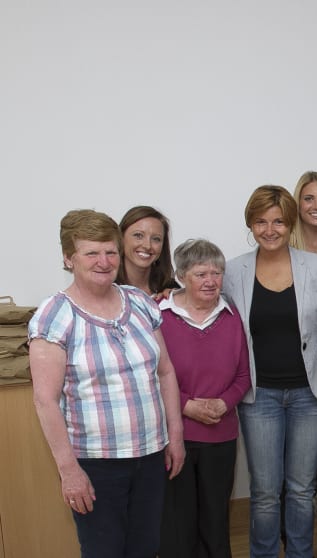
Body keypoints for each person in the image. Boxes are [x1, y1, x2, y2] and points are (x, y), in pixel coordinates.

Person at [28, 209, 185, 557]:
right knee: (105, 551)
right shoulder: (55, 316)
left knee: (146, 547)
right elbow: (45, 401)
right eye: (91, 253)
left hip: (149, 455)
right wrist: (69, 471)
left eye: (110, 251)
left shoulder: (141, 303)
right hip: (95, 464)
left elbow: (166, 372)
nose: (104, 261)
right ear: (69, 258)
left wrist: (175, 436)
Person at [223, 185, 317, 558]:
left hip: (311, 395)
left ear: (290, 224)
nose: (269, 229)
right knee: (265, 493)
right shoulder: (233, 270)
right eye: (260, 221)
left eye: (278, 221)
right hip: (259, 397)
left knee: (302, 489)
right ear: (250, 224)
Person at [158, 239, 251, 558]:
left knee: (215, 523)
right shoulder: (160, 316)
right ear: (182, 275)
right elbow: (152, 375)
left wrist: (225, 403)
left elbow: (243, 376)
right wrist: (187, 405)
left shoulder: (233, 316)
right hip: (176, 436)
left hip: (221, 436)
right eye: (201, 274)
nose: (211, 280)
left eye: (217, 272)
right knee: (178, 526)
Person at [116, 205, 180, 297]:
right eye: (138, 235)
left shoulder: (170, 290)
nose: (147, 246)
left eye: (156, 239)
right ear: (121, 237)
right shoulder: (105, 286)